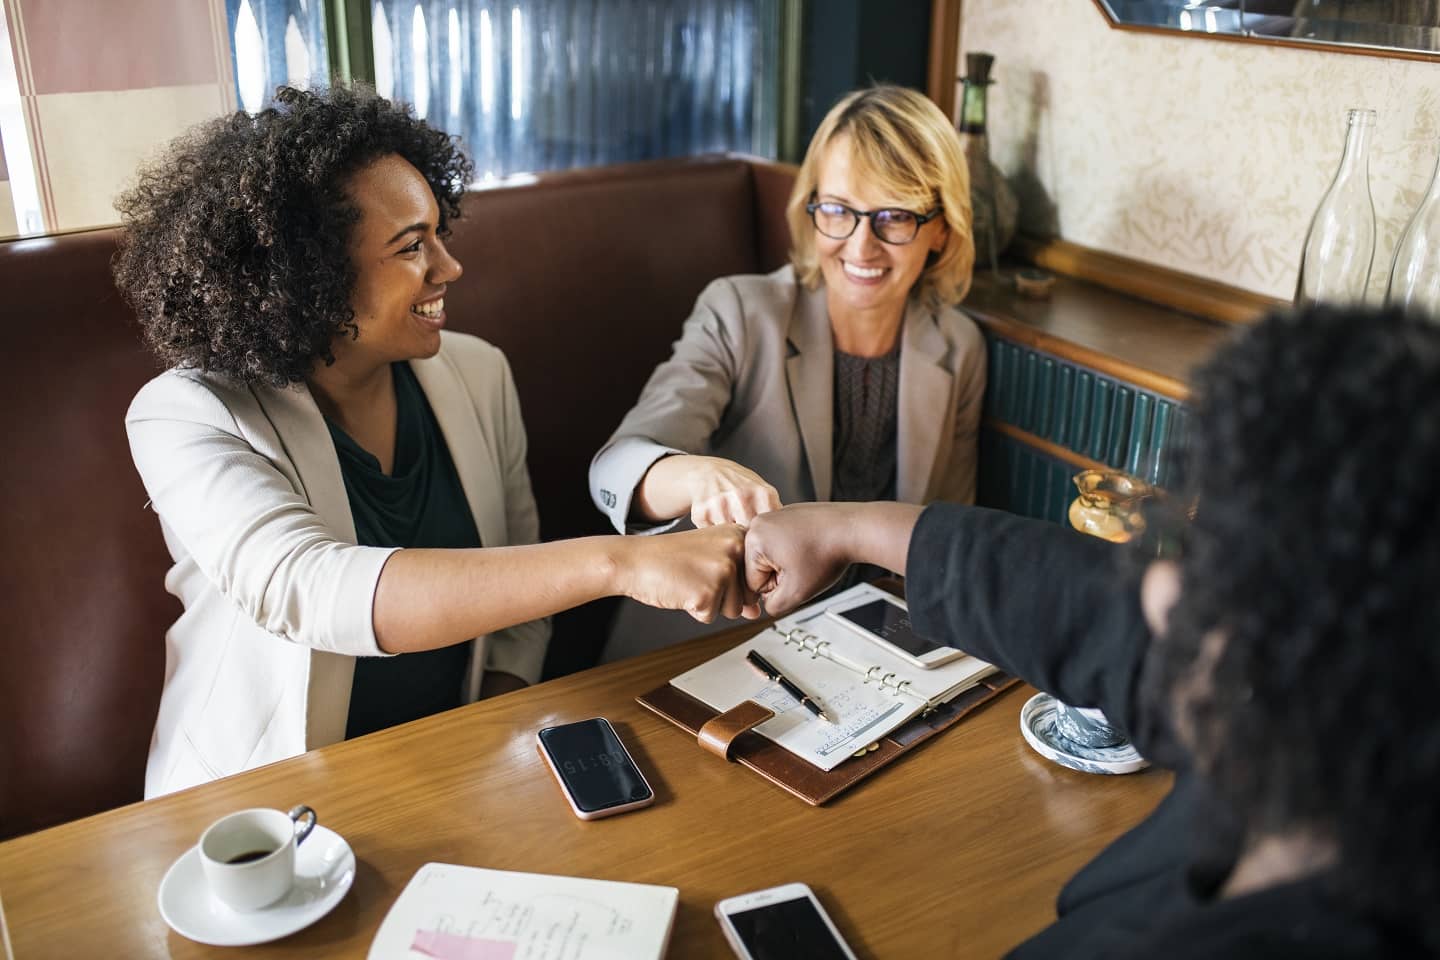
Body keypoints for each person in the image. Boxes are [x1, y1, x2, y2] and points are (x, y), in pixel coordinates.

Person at [741, 304, 1440, 957]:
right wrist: (848, 527)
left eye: (1206, 558)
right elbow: (1085, 604)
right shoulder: (1324, 739)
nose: (1161, 591)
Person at [114, 86, 754, 798]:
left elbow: (521, 602)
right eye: (412, 246)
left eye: (439, 234)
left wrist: (485, 740)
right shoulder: (186, 414)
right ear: (309, 277)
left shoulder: (478, 373)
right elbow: (309, 588)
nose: (448, 268)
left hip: (454, 770)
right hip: (260, 806)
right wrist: (624, 562)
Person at [589, 85, 983, 660]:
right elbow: (617, 469)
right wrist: (695, 475)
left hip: (867, 657)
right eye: (839, 211)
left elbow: (945, 540)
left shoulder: (960, 347)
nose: (861, 245)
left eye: (894, 217)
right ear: (813, 207)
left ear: (941, 228)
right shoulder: (739, 312)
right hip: (703, 648)